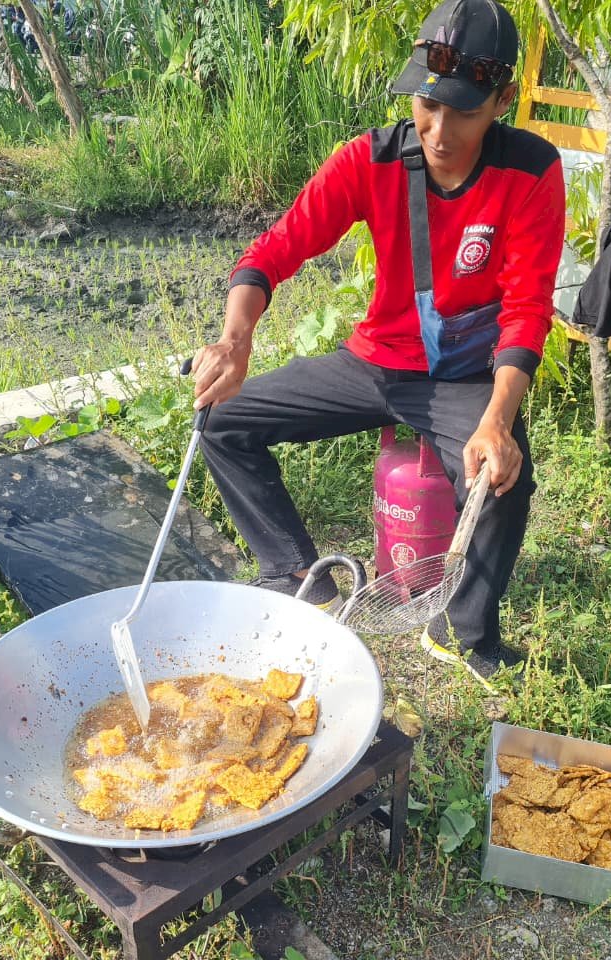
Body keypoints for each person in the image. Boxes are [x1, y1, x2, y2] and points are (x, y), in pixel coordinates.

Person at [191, 0, 565, 684]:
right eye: (428, 105)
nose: (440, 130)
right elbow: (274, 250)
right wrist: (234, 340)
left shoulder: (532, 171)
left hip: (461, 382)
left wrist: (497, 419)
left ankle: (462, 632)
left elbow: (528, 307)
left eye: (465, 112)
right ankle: (300, 575)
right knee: (220, 421)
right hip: (374, 365)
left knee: (502, 475)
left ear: (503, 99)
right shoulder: (371, 158)